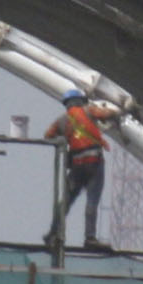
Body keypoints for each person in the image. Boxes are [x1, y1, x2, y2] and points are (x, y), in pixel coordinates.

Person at [46, 89, 113, 253]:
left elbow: (48, 136)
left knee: (67, 201)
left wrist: (64, 140)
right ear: (81, 101)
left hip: (77, 164)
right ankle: (90, 238)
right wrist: (115, 111)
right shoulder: (89, 110)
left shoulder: (62, 121)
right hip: (94, 162)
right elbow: (106, 114)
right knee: (92, 201)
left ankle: (53, 234)